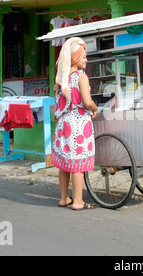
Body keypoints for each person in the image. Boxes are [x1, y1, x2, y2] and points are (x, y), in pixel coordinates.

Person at [52, 37, 98, 210]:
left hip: (63, 123)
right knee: (77, 164)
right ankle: (78, 201)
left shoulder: (60, 79)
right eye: (84, 57)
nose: (86, 60)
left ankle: (64, 198)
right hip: (78, 124)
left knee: (65, 163)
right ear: (75, 57)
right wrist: (95, 107)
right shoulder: (81, 77)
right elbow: (87, 102)